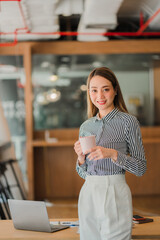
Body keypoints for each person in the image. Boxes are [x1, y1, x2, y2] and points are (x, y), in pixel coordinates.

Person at [74, 67, 147, 240]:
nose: (99, 96)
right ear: (89, 93)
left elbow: (141, 168)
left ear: (115, 91)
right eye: (94, 90)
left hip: (115, 190)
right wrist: (80, 159)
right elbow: (83, 173)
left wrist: (114, 154)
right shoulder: (86, 127)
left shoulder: (129, 122)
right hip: (88, 193)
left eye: (105, 89)